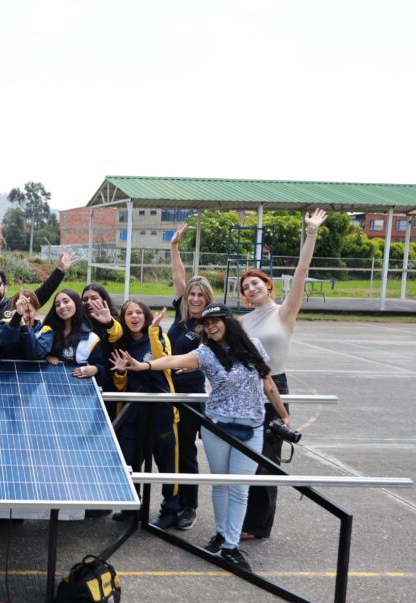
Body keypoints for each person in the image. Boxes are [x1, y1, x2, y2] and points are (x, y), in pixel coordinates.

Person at [111, 305, 289, 572]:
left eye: (215, 321)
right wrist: (142, 365)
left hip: (251, 427)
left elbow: (268, 383)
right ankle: (221, 536)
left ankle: (230, 547)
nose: (211, 327)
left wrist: (284, 415)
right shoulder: (206, 353)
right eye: (206, 324)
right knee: (219, 485)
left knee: (239, 488)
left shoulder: (253, 346)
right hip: (217, 427)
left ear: (228, 321)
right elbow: (173, 361)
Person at [240, 208, 326, 541]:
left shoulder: (285, 313)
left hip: (277, 385)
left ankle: (258, 526)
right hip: (248, 390)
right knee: (246, 457)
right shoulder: (243, 323)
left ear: (268, 286)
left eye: (256, 282)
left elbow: (302, 270)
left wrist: (311, 233)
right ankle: (242, 518)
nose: (252, 288)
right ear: (244, 296)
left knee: (267, 459)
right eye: (246, 286)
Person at [111, 299, 181, 528]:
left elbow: (165, 362)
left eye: (139, 312)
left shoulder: (157, 336)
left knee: (167, 463)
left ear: (146, 316)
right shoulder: (122, 344)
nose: (134, 317)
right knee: (129, 460)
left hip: (161, 412)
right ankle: (132, 506)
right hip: (133, 413)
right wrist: (121, 373)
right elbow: (120, 385)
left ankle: (170, 509)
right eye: (129, 313)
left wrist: (154, 331)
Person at [166, 223, 215, 531]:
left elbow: (212, 359)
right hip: (167, 392)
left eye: (200, 295)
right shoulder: (181, 316)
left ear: (208, 299)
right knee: (167, 451)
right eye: (192, 294)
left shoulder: (210, 325)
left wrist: (195, 364)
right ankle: (170, 502)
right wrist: (173, 247)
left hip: (190, 398)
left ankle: (189, 506)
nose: (195, 298)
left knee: (185, 452)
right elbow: (178, 277)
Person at [41, 290, 105, 380]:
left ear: (77, 303)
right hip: (52, 384)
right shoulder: (48, 333)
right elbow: (37, 353)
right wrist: (46, 357)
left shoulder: (91, 339)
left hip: (79, 388)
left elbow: (102, 369)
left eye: (66, 301)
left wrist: (95, 369)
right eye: (57, 304)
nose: (62, 306)